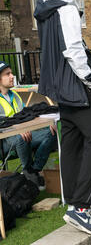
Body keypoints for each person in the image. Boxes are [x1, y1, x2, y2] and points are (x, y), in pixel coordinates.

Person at [34, 0, 91, 236]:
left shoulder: (44, 7)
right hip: (79, 88)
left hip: (60, 88)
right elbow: (72, 48)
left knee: (72, 146)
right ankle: (80, 206)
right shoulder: (65, 8)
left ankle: (74, 202)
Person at [0, 61, 57, 190]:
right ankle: (30, 174)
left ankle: (32, 170)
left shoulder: (15, 95)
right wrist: (18, 130)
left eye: (11, 73)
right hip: (4, 141)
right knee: (21, 137)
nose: (12, 76)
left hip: (23, 134)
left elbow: (27, 116)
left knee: (52, 131)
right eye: (7, 74)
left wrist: (46, 125)